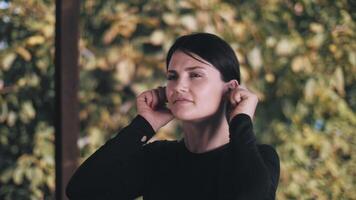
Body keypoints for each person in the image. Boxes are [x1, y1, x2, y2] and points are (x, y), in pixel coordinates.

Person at [66, 32, 280, 200]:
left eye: (195, 75)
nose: (179, 87)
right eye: (172, 77)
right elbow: (82, 191)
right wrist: (144, 125)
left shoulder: (260, 159)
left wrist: (241, 120)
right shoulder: (158, 159)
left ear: (231, 88)